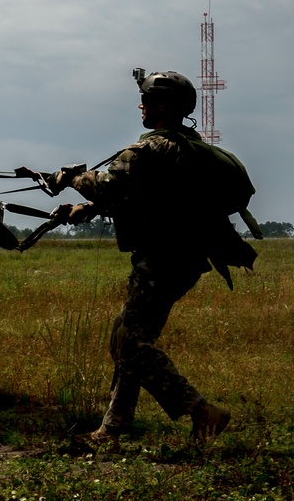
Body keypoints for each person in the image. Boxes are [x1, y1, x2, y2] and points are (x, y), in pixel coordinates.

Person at [37, 70, 235, 447]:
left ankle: (201, 411)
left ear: (162, 106)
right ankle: (111, 429)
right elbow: (145, 199)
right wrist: (88, 210)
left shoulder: (151, 150)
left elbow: (109, 185)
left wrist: (71, 178)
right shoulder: (186, 148)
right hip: (183, 259)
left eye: (147, 100)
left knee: (128, 344)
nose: (141, 106)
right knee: (128, 337)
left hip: (162, 259)